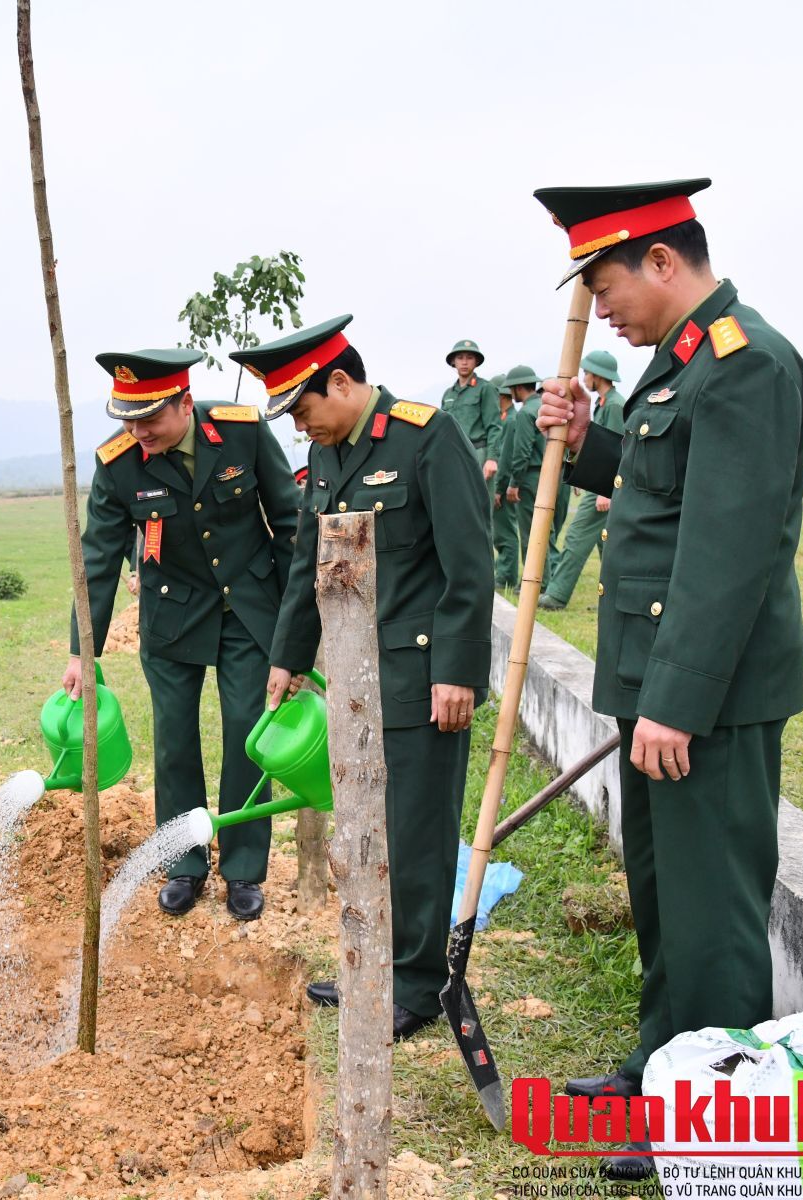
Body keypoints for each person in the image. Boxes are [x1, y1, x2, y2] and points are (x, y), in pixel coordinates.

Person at [533, 178, 803, 1180]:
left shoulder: (746, 364)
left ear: (660, 260)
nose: (600, 309)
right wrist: (585, 443)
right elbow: (658, 488)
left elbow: (726, 552)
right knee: (662, 898)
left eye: (605, 285)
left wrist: (676, 702)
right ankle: (663, 1065)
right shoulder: (681, 366)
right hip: (655, 684)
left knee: (711, 912)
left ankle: (710, 1115)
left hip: (706, 699)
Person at [231, 315, 493, 1040]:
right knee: (361, 830)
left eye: (303, 408)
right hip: (350, 678)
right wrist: (287, 656)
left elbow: (470, 564)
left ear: (341, 383)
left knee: (415, 833)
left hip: (419, 677)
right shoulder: (327, 456)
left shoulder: (427, 437)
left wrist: (457, 671)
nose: (299, 426)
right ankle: (371, 966)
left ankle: (416, 985)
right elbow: (306, 566)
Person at [67, 347, 300, 920]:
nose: (138, 432)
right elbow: (98, 560)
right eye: (128, 420)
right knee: (174, 738)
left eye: (150, 418)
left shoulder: (241, 432)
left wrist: (295, 628)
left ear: (185, 403)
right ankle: (183, 862)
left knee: (249, 732)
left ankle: (243, 868)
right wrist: (82, 651)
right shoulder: (118, 463)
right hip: (171, 615)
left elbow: (288, 522)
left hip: (247, 607)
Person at [539, 350, 626, 610]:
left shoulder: (613, 405)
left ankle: (556, 595)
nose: (585, 378)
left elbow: (618, 449)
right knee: (608, 545)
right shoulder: (605, 402)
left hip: (606, 487)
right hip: (602, 484)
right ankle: (613, 600)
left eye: (587, 373)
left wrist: (604, 492)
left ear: (598, 375)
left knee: (576, 536)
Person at [495, 364, 569, 586]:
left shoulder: (525, 412)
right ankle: (548, 581)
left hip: (530, 478)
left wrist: (514, 483)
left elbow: (521, 452)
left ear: (518, 388)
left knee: (531, 534)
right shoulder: (544, 407)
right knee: (547, 532)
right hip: (551, 475)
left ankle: (536, 584)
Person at [440, 338, 503, 496]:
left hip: (478, 453)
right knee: (455, 500)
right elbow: (442, 429)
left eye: (469, 358)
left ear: (476, 362)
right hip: (453, 455)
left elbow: (494, 426)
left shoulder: (486, 388)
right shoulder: (448, 394)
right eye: (460, 358)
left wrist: (492, 458)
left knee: (480, 502)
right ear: (453, 362)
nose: (464, 362)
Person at [489, 373, 520, 590]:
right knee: (499, 532)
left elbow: (507, 458)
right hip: (502, 482)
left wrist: (499, 489)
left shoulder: (510, 420)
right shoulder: (503, 418)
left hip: (504, 483)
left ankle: (506, 576)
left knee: (505, 532)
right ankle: (502, 573)